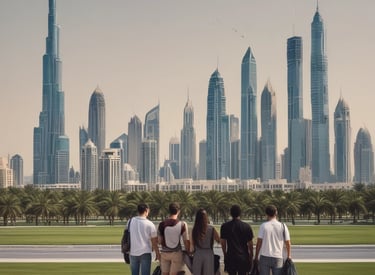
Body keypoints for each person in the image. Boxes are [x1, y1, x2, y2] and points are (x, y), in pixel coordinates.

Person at [254, 205, 291, 275]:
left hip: (264, 256)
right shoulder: (283, 226)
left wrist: (256, 256)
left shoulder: (263, 226)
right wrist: (289, 255)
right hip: (278, 257)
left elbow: (259, 243)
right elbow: (288, 242)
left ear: (266, 214)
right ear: (276, 213)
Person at [220, 205, 254, 275]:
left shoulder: (225, 226)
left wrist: (225, 254)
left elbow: (223, 242)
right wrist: (251, 255)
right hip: (243, 256)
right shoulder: (246, 226)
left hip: (231, 255)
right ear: (240, 213)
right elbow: (250, 243)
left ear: (230, 213)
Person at [158, 202, 190, 275]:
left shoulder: (162, 224)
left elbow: (159, 241)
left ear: (169, 211)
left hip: (165, 253)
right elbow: (186, 241)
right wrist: (188, 252)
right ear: (179, 211)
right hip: (176, 253)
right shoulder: (183, 224)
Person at [129, 203, 160, 275]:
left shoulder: (130, 221)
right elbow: (154, 242)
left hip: (133, 252)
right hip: (145, 252)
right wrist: (158, 254)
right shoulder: (150, 224)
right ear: (146, 210)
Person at [190, 208, 220, 275]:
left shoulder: (194, 229)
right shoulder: (211, 228)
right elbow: (218, 240)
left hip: (197, 253)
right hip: (208, 253)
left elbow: (192, 245)